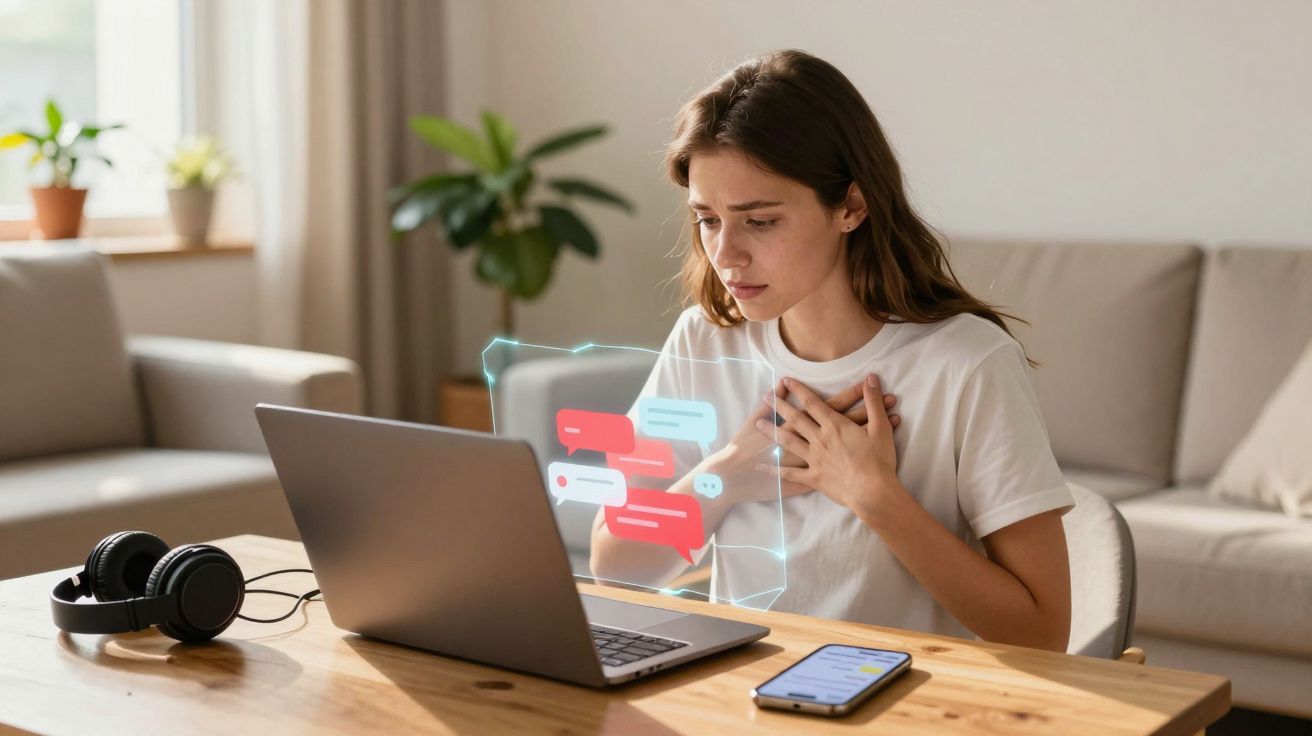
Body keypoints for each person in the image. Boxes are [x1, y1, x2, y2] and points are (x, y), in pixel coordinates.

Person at [589, 49, 1074, 652]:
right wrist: (726, 477)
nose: (727, 254)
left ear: (851, 206)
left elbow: (1043, 631)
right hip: (742, 700)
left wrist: (875, 497)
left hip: (907, 703)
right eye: (707, 219)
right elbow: (614, 563)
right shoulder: (704, 341)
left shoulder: (966, 363)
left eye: (760, 221)